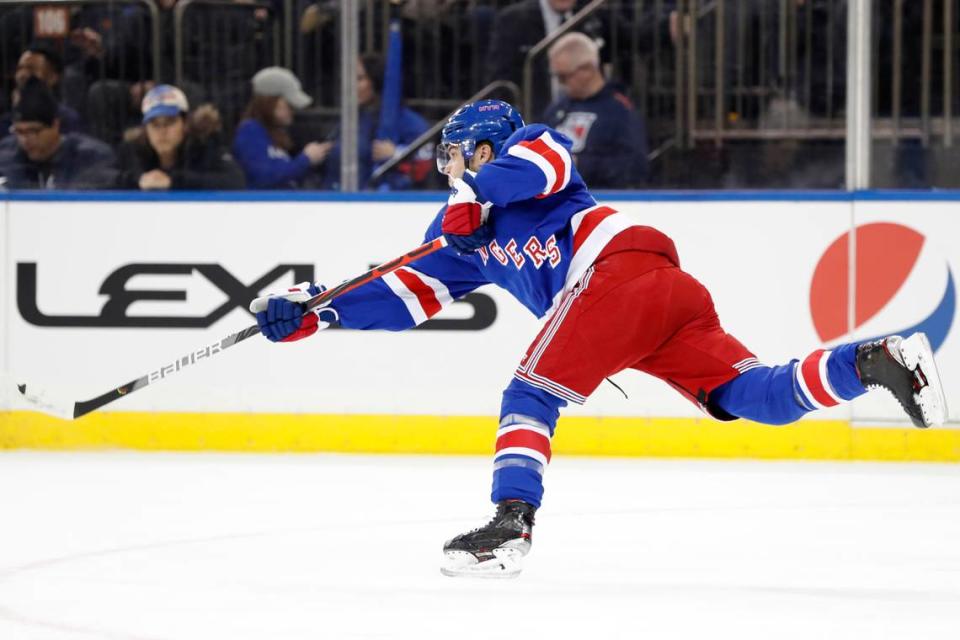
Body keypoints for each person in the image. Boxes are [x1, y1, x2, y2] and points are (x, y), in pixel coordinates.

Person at [247, 99, 948, 578]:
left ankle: (510, 522)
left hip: (620, 271)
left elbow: (542, 164)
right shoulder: (460, 239)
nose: (450, 171)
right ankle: (874, 362)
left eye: (458, 157)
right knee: (749, 396)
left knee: (529, 390)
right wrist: (317, 311)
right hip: (652, 305)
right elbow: (404, 293)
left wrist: (474, 195)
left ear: (485, 147)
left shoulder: (531, 150)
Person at [543, 32, 648, 188]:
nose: (561, 84)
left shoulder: (619, 112)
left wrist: (582, 165)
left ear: (588, 69)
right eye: (557, 77)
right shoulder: (557, 109)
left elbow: (635, 166)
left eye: (564, 77)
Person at [317, 53, 432, 191]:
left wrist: (396, 154)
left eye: (359, 78)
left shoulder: (411, 123)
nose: (352, 85)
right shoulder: (349, 120)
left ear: (376, 81)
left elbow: (427, 170)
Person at [115, 84, 245, 191]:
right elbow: (98, 175)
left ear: (185, 123)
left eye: (170, 122)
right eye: (155, 124)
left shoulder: (204, 146)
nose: (162, 131)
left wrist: (173, 181)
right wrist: (137, 180)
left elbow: (235, 180)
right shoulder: (131, 150)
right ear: (145, 129)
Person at [0, 77, 114, 190]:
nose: (24, 140)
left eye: (33, 131)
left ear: (55, 125)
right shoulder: (5, 156)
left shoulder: (91, 157)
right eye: (19, 131)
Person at [232, 66, 330, 189]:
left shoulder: (275, 136)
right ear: (270, 102)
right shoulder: (250, 132)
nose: (293, 110)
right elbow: (265, 177)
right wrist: (305, 160)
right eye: (289, 104)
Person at [0, 45, 83, 139]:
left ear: (53, 77)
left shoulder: (67, 120)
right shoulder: (4, 122)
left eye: (31, 69)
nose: (22, 74)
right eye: (20, 68)